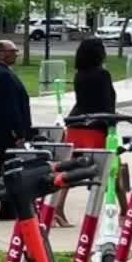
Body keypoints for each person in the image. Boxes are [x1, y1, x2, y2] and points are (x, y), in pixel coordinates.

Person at [53, 38, 118, 227]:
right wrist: (111, 123)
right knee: (102, 169)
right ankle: (106, 214)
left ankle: (57, 208)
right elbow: (107, 103)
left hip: (76, 124)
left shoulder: (79, 74)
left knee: (71, 168)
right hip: (94, 127)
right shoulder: (102, 74)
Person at [0, 39, 33, 221]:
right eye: (13, 51)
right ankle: (1, 204)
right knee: (10, 171)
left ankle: (8, 208)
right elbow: (9, 107)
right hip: (6, 134)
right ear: (1, 53)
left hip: (0, 133)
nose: (16, 54)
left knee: (8, 170)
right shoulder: (1, 74)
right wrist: (18, 133)